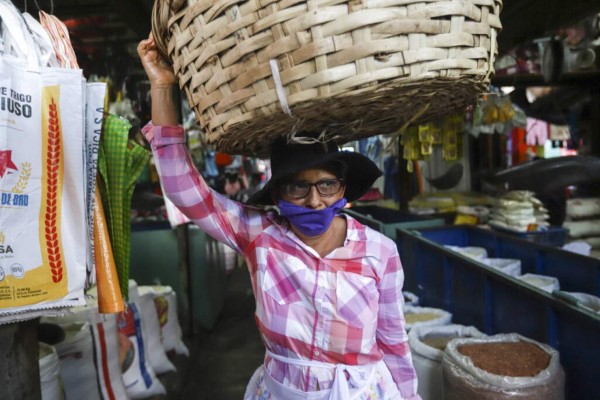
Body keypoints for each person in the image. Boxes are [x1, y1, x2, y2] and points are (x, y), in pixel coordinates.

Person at [138, 34, 421, 400]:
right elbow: (185, 191)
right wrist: (161, 88)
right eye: (297, 188)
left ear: (343, 188)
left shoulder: (379, 252)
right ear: (276, 194)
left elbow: (395, 342)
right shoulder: (260, 235)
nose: (315, 202)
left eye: (327, 185)